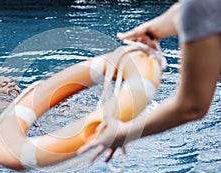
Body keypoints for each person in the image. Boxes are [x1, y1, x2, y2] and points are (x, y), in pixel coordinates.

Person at [78, 0, 221, 163]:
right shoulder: (198, 9)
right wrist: (158, 26)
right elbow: (191, 12)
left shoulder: (197, 9)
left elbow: (191, 107)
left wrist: (124, 133)